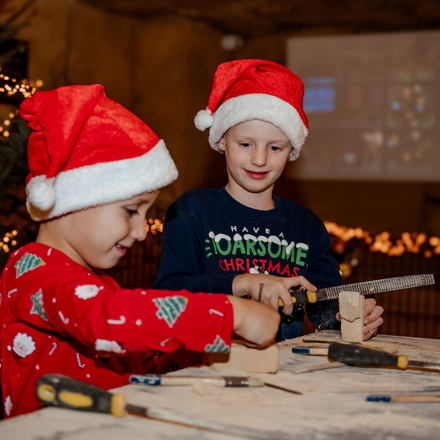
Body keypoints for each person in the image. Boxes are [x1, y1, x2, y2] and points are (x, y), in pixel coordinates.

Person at [0, 84, 280, 418]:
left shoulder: (93, 280)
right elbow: (107, 320)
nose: (141, 232)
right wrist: (230, 314)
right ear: (72, 199)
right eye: (131, 210)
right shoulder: (32, 271)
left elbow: (133, 357)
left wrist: (198, 351)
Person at [154, 59, 384, 341]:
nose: (260, 159)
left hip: (280, 364)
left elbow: (324, 308)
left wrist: (349, 319)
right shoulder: (193, 211)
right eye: (245, 144)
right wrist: (242, 282)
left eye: (275, 147)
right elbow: (168, 295)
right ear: (222, 141)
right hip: (204, 361)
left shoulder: (307, 226)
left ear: (292, 151)